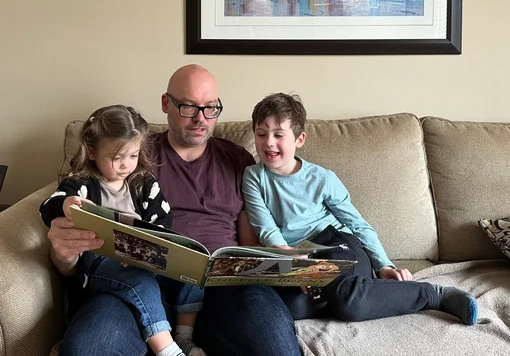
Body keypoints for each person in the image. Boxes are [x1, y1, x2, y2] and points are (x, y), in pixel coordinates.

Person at [46, 65, 301, 356]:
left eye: (211, 108)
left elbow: (249, 243)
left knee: (275, 344)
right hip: (138, 283)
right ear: (166, 103)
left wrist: (278, 263)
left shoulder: (237, 159)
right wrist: (64, 254)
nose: (201, 119)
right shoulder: (131, 154)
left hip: (223, 290)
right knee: (86, 349)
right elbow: (74, 242)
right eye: (189, 107)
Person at [242, 92, 478, 325]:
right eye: (261, 134)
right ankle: (350, 293)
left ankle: (434, 294)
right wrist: (291, 261)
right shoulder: (253, 177)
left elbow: (356, 223)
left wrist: (383, 265)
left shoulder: (322, 178)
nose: (268, 142)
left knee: (349, 302)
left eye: (278, 135)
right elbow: (267, 228)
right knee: (292, 308)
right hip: (296, 255)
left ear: (299, 139)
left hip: (335, 243)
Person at [40, 105, 206, 356]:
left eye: (133, 155)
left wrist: (156, 251)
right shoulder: (81, 185)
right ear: (93, 152)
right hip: (98, 267)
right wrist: (66, 205)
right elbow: (48, 207)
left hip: (144, 263)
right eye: (117, 158)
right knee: (139, 280)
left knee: (194, 270)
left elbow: (163, 223)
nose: (126, 165)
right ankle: (167, 349)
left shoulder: (144, 185)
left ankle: (184, 335)